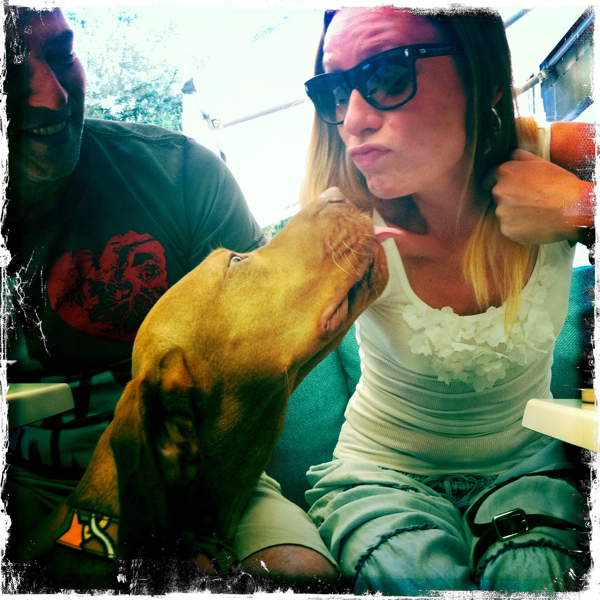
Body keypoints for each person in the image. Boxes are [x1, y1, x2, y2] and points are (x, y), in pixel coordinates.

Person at [2, 6, 339, 590]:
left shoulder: (182, 175)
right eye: (8, 75)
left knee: (298, 577)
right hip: (25, 487)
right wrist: (87, 534)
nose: (52, 97)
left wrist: (194, 532)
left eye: (61, 54)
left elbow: (253, 364)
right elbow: (80, 539)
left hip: (205, 466)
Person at [299, 6, 595, 594]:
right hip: (378, 475)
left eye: (388, 75)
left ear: (483, 78)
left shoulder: (551, 152)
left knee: (532, 578)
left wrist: (581, 209)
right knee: (413, 573)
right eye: (336, 90)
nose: (352, 120)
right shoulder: (343, 222)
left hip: (529, 471)